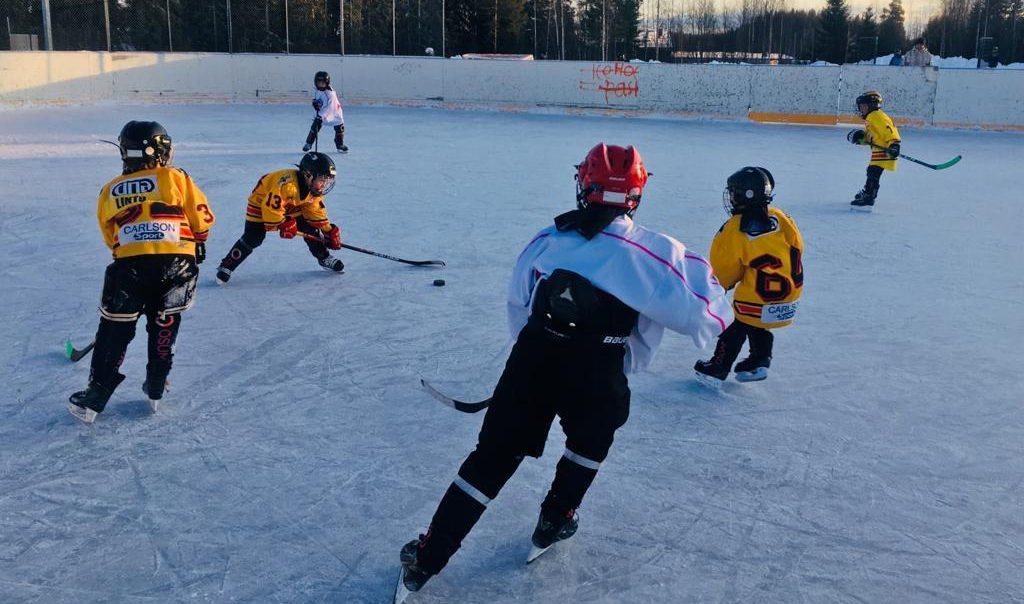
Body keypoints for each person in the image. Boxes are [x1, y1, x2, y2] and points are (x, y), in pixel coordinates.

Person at [394, 143, 731, 601]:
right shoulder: (658, 252)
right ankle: (556, 517)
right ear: (636, 193)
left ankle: (427, 558)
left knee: (491, 458)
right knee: (589, 444)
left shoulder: (549, 239)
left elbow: (519, 303)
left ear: (584, 186)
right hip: (601, 372)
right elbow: (706, 319)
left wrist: (532, 358)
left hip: (533, 361)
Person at [68, 121, 215, 423]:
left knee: (115, 330)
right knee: (164, 322)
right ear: (161, 151)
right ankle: (157, 384)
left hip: (130, 267)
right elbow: (202, 219)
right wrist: (197, 241)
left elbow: (110, 237)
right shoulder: (175, 177)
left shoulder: (109, 189)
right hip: (177, 265)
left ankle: (96, 394)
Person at [693, 167, 804, 387]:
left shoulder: (734, 229)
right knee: (755, 323)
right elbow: (797, 247)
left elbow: (723, 273)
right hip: (789, 297)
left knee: (732, 325)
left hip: (755, 301)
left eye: (735, 192)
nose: (732, 197)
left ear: (747, 194)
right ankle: (759, 359)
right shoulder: (781, 217)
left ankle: (718, 366)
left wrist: (717, 288)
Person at [215, 151, 344, 283]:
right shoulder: (287, 185)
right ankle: (227, 265)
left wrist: (328, 230)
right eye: (322, 180)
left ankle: (324, 257)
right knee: (253, 237)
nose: (324, 185)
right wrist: (283, 223)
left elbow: (314, 211)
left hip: (290, 205)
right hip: (261, 204)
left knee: (310, 228)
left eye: (327, 181)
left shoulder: (314, 190)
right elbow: (270, 207)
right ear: (308, 175)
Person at [847, 91, 901, 208]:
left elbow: (889, 130)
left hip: (885, 151)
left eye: (863, 106)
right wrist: (860, 137)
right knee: (872, 172)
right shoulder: (872, 117)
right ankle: (868, 193)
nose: (861, 109)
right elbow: (872, 136)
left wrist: (894, 144)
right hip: (880, 151)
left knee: (873, 173)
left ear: (872, 105)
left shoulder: (876, 115)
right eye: (860, 107)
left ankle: (869, 196)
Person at [302, 71, 347, 153]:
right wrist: (315, 103)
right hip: (323, 113)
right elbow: (316, 100)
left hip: (335, 112)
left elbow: (330, 108)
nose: (321, 85)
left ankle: (340, 144)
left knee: (339, 128)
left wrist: (321, 116)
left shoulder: (330, 94)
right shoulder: (315, 90)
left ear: (327, 83)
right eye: (319, 83)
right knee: (315, 126)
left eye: (323, 83)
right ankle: (308, 143)